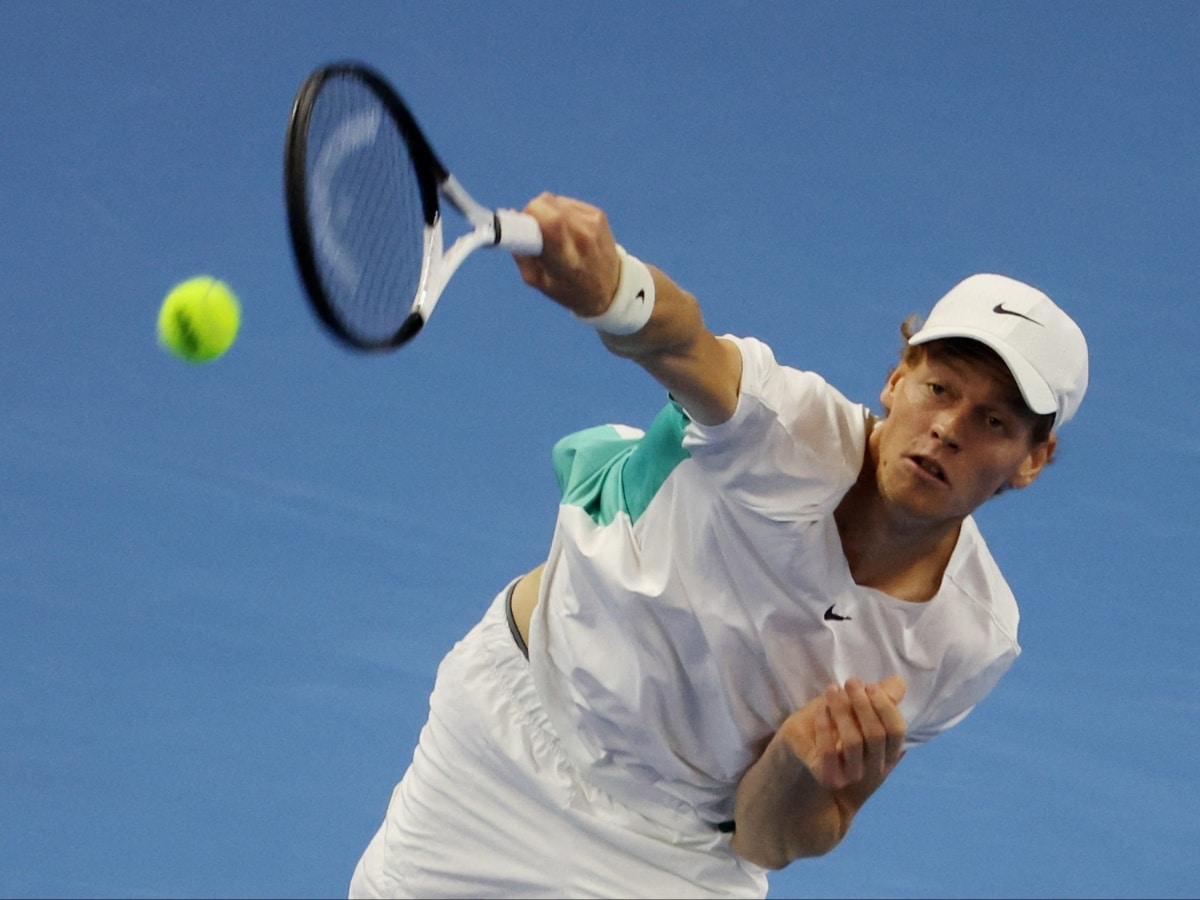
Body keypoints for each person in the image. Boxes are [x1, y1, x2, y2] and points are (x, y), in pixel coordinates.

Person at [348, 193, 1089, 899]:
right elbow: (682, 341)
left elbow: (767, 840)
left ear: (1032, 459)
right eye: (940, 389)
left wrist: (797, 767)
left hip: (679, 855)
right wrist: (613, 287)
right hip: (509, 745)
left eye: (994, 422)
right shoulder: (785, 430)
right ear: (897, 381)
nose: (949, 428)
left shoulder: (967, 641)